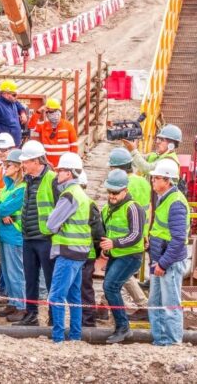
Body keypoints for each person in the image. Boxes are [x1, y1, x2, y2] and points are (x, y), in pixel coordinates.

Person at [46, 153, 91, 343]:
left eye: (61, 170)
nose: (57, 174)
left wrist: (58, 225)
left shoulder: (69, 195)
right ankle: (75, 336)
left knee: (56, 296)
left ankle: (57, 337)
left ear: (71, 173)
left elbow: (51, 224)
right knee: (74, 297)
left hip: (67, 252)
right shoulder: (81, 193)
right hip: (80, 252)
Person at [147, 159, 190, 346]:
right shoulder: (164, 198)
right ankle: (160, 340)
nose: (153, 182)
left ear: (167, 180)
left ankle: (172, 342)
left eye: (156, 178)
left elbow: (178, 239)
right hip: (160, 260)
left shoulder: (176, 203)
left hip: (168, 263)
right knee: (155, 304)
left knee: (170, 305)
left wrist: (163, 263)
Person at [15, 140, 58, 326]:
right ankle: (31, 314)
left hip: (45, 238)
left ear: (36, 161)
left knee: (50, 280)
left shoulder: (53, 180)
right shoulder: (29, 180)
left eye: (26, 161)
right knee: (30, 279)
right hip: (29, 237)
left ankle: (53, 316)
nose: (23, 165)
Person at [100, 170, 146, 343]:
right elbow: (106, 231)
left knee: (110, 286)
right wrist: (105, 248)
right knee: (110, 287)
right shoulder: (107, 209)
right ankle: (120, 325)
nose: (111, 196)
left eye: (115, 193)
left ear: (125, 190)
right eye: (109, 192)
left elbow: (136, 235)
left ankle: (123, 327)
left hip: (130, 255)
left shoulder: (133, 208)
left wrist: (114, 243)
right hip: (116, 254)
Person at [107, 147, 151, 315]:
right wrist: (145, 233)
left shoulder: (121, 185)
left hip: (122, 238)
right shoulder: (144, 183)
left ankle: (142, 305)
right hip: (139, 234)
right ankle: (106, 305)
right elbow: (148, 209)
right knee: (118, 274)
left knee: (118, 275)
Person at [0, 149, 27, 321]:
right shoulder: (10, 186)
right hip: (4, 233)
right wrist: (1, 211)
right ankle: (13, 302)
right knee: (7, 272)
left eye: (8, 165)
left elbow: (1, 207)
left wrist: (2, 212)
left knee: (16, 271)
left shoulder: (21, 189)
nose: (4, 168)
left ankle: (21, 306)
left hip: (14, 235)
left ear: (17, 167)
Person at [79, 170, 105, 329]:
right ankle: (87, 322)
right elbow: (98, 234)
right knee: (85, 290)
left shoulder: (64, 201)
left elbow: (97, 233)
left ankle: (86, 321)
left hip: (72, 253)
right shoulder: (89, 203)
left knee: (80, 289)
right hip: (86, 254)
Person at [30, 99, 78, 168]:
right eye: (49, 112)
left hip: (64, 165)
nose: (52, 114)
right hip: (48, 165)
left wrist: (72, 162)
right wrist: (38, 111)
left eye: (54, 111)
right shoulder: (44, 125)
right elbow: (31, 126)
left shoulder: (68, 125)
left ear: (59, 111)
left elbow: (74, 145)